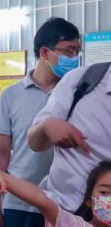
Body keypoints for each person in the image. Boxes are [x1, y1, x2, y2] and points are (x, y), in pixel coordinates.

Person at [0, 17, 80, 227]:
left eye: (77, 52)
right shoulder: (11, 95)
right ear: (45, 52)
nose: (74, 58)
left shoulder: (78, 93)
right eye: (68, 51)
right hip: (20, 204)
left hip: (65, 205)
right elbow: (1, 154)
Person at [28, 59, 111, 215]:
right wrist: (46, 126)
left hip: (104, 218)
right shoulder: (82, 80)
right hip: (65, 212)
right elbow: (33, 142)